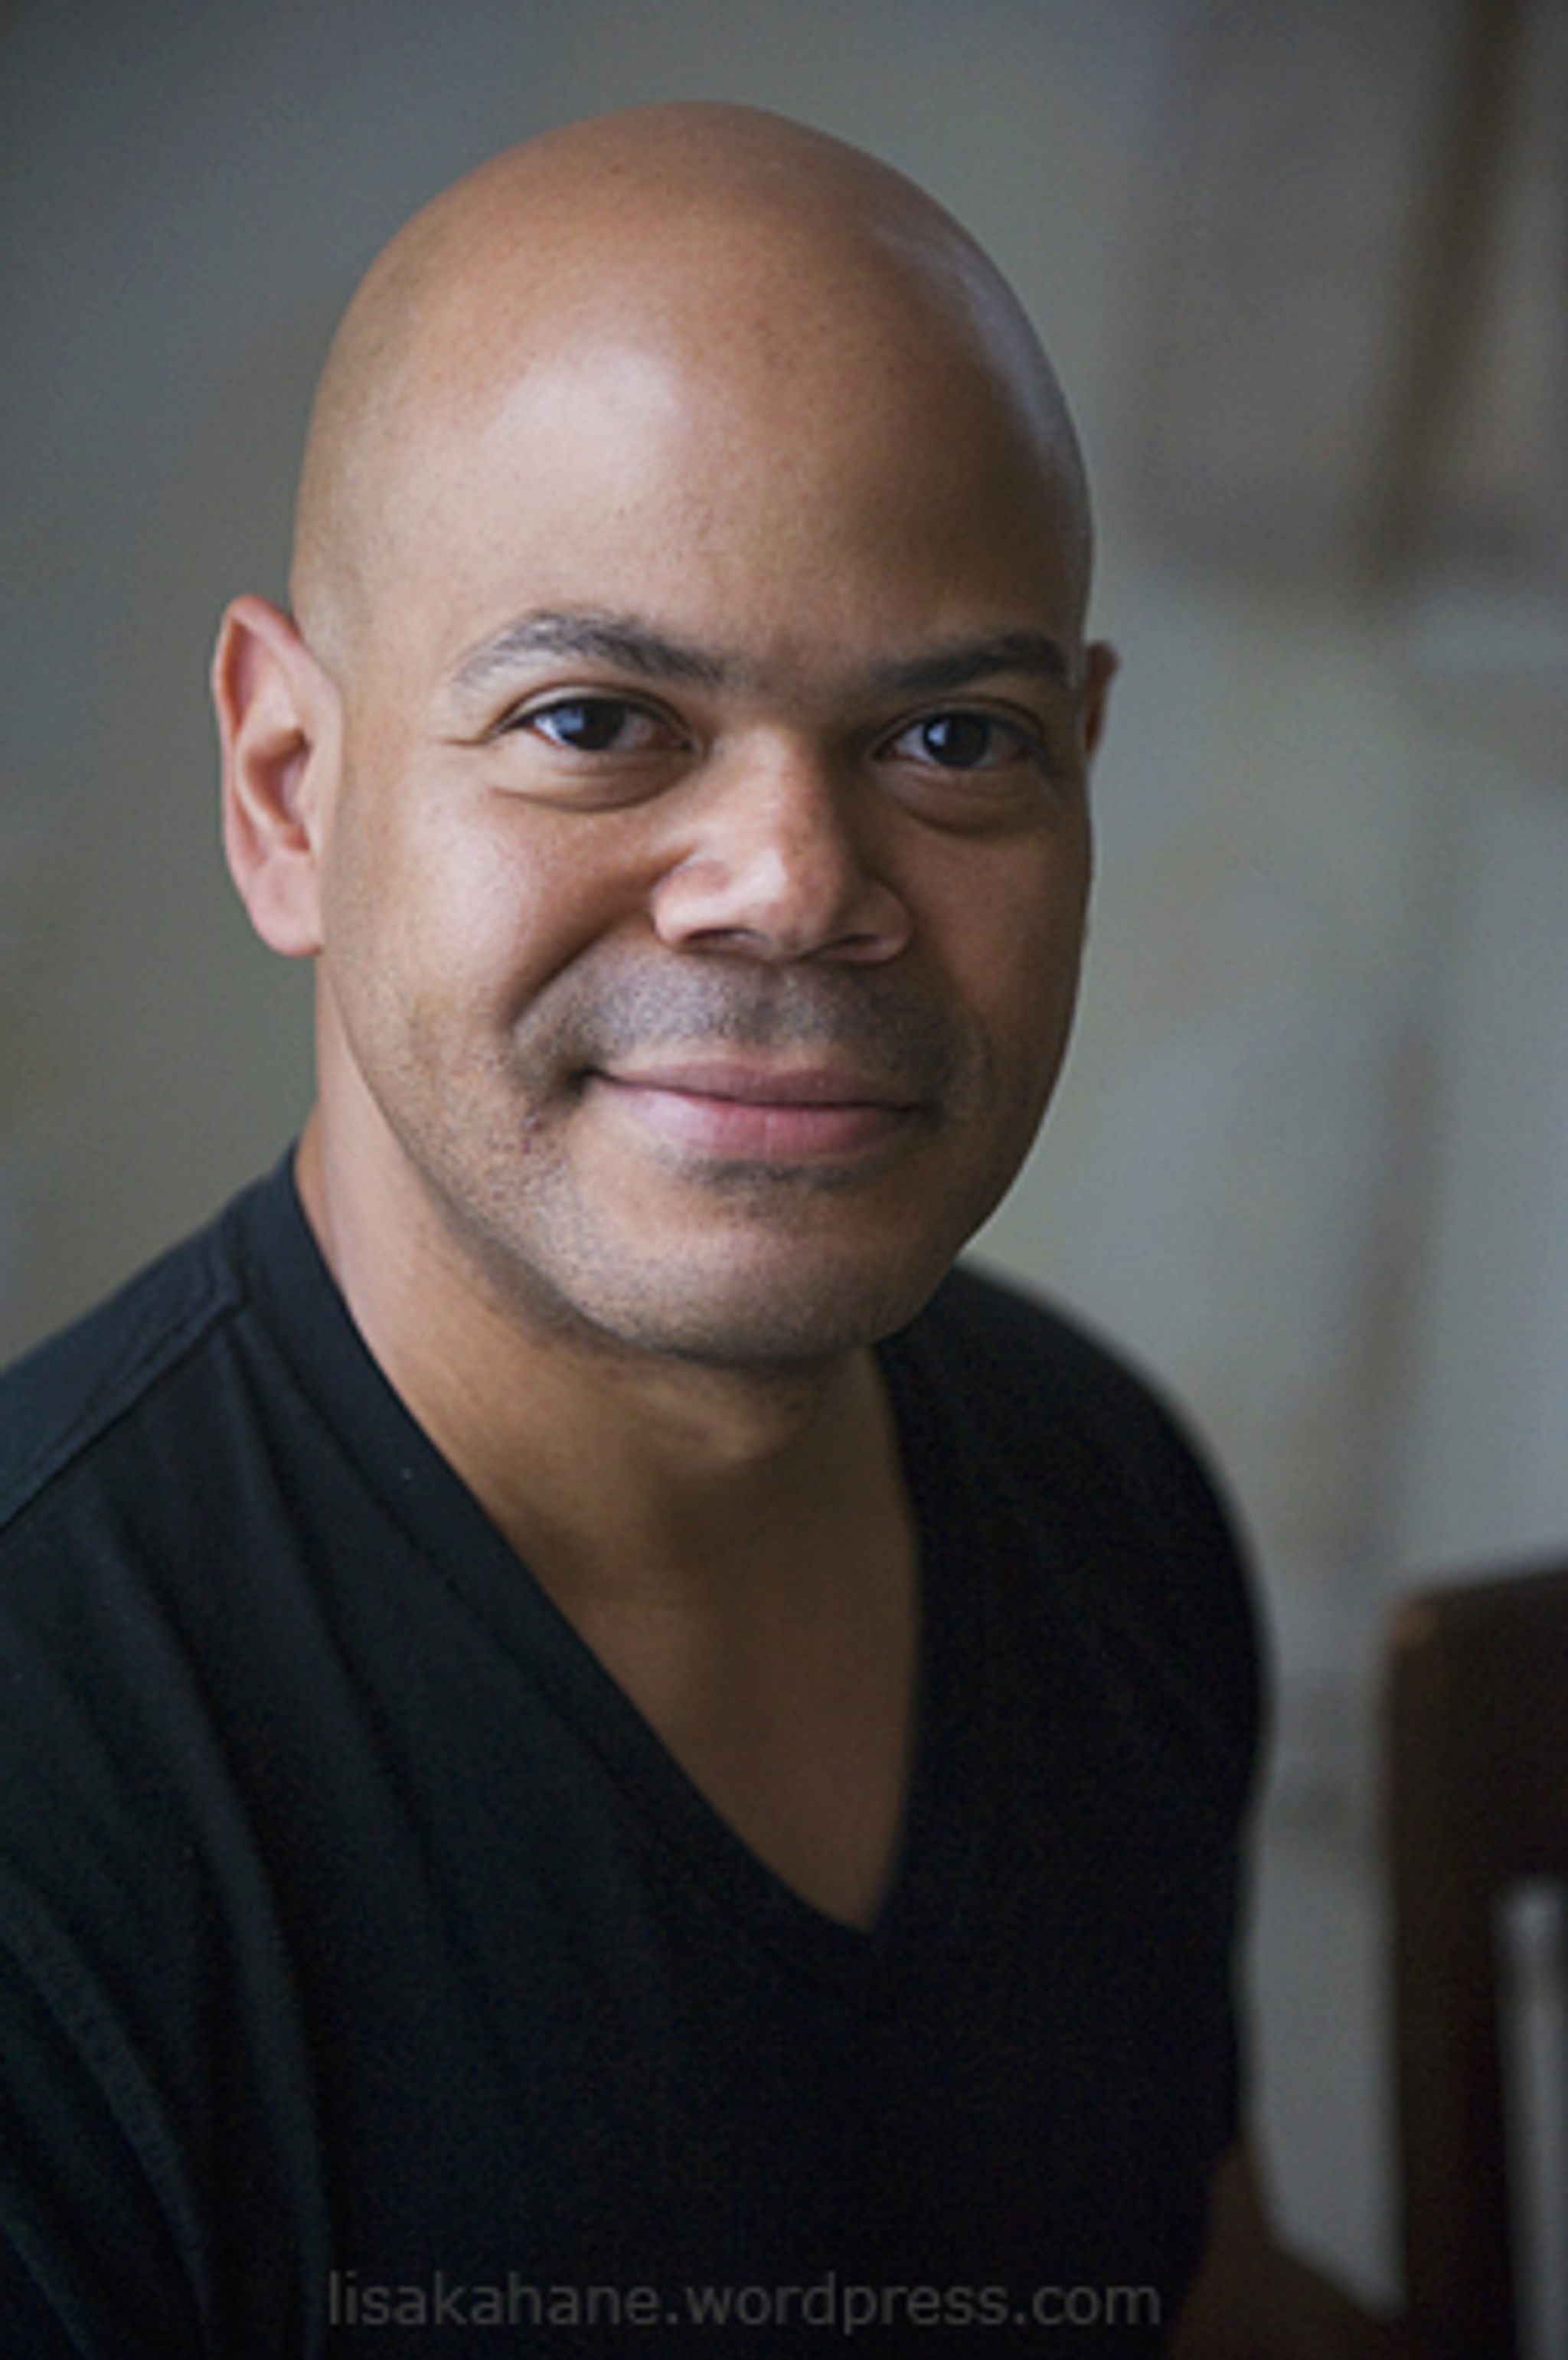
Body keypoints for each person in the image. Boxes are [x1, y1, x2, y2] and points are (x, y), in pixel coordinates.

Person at [0, 104, 1416, 2356]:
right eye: (596, 719)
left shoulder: (1104, 1496)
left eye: (953, 735)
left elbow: (1199, 2301)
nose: (797, 878)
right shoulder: (58, 1782)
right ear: (289, 791)